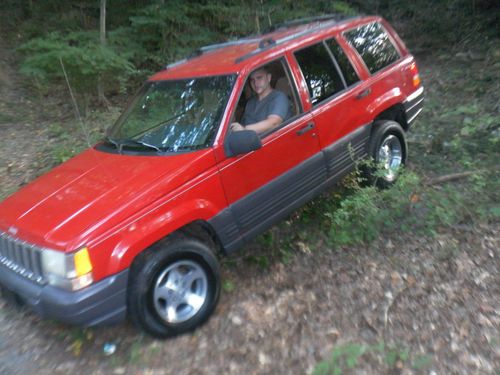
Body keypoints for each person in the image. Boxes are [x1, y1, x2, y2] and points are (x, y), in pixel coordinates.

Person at [230, 66, 291, 134]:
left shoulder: (279, 97)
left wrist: (244, 129)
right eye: (252, 80)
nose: (255, 83)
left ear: (268, 78)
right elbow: (242, 125)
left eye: (259, 78)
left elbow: (274, 123)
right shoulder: (250, 102)